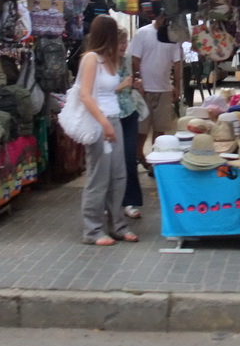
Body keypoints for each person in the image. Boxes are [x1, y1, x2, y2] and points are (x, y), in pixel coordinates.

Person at [77, 14, 138, 246]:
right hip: (100, 123)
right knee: (99, 177)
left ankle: (118, 225)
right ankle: (92, 230)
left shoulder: (109, 60)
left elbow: (109, 92)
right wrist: (103, 123)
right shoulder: (91, 58)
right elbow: (85, 94)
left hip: (114, 120)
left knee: (118, 176)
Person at [129, 13, 183, 171]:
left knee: (160, 128)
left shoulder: (172, 36)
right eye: (160, 15)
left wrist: (177, 86)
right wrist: (138, 81)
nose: (163, 18)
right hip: (144, 89)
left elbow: (177, 63)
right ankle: (139, 155)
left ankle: (156, 161)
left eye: (165, 16)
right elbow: (135, 60)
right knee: (141, 129)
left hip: (164, 88)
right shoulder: (142, 33)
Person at [115, 28, 143, 219]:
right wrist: (122, 85)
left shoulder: (126, 59)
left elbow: (127, 82)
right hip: (111, 115)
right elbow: (99, 91)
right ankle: (112, 201)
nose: (124, 46)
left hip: (129, 111)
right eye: (120, 42)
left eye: (125, 41)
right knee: (112, 162)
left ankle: (130, 201)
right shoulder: (101, 62)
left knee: (129, 157)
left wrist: (134, 84)